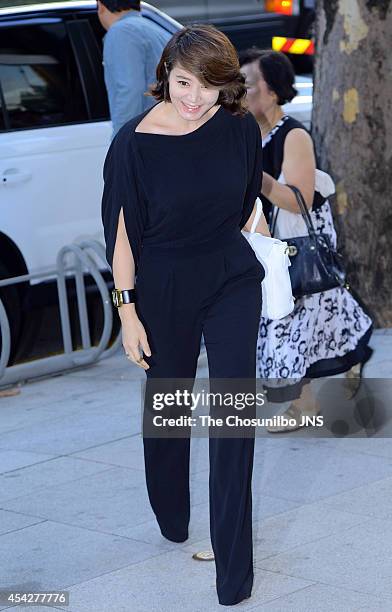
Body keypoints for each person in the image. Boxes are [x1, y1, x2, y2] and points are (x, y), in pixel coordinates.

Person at [101, 25, 270, 606]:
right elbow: (122, 240)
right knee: (168, 403)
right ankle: (171, 510)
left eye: (207, 85)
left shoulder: (239, 127)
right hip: (164, 284)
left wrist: (263, 239)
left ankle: (235, 573)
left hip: (230, 279)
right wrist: (127, 312)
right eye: (181, 83)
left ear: (225, 84)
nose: (194, 98)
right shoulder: (133, 144)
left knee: (233, 418)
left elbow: (249, 202)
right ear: (164, 75)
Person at [239, 48, 373, 432]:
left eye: (249, 84)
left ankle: (303, 405)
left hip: (299, 244)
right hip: (269, 244)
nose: (242, 92)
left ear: (274, 90)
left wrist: (254, 175)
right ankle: (351, 356)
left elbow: (298, 199)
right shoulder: (250, 133)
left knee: (290, 321)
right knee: (323, 312)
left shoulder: (292, 134)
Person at [97, 0, 171, 137]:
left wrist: (121, 140)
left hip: (145, 136)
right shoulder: (154, 28)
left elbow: (130, 90)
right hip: (165, 130)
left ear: (101, 6)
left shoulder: (121, 31)